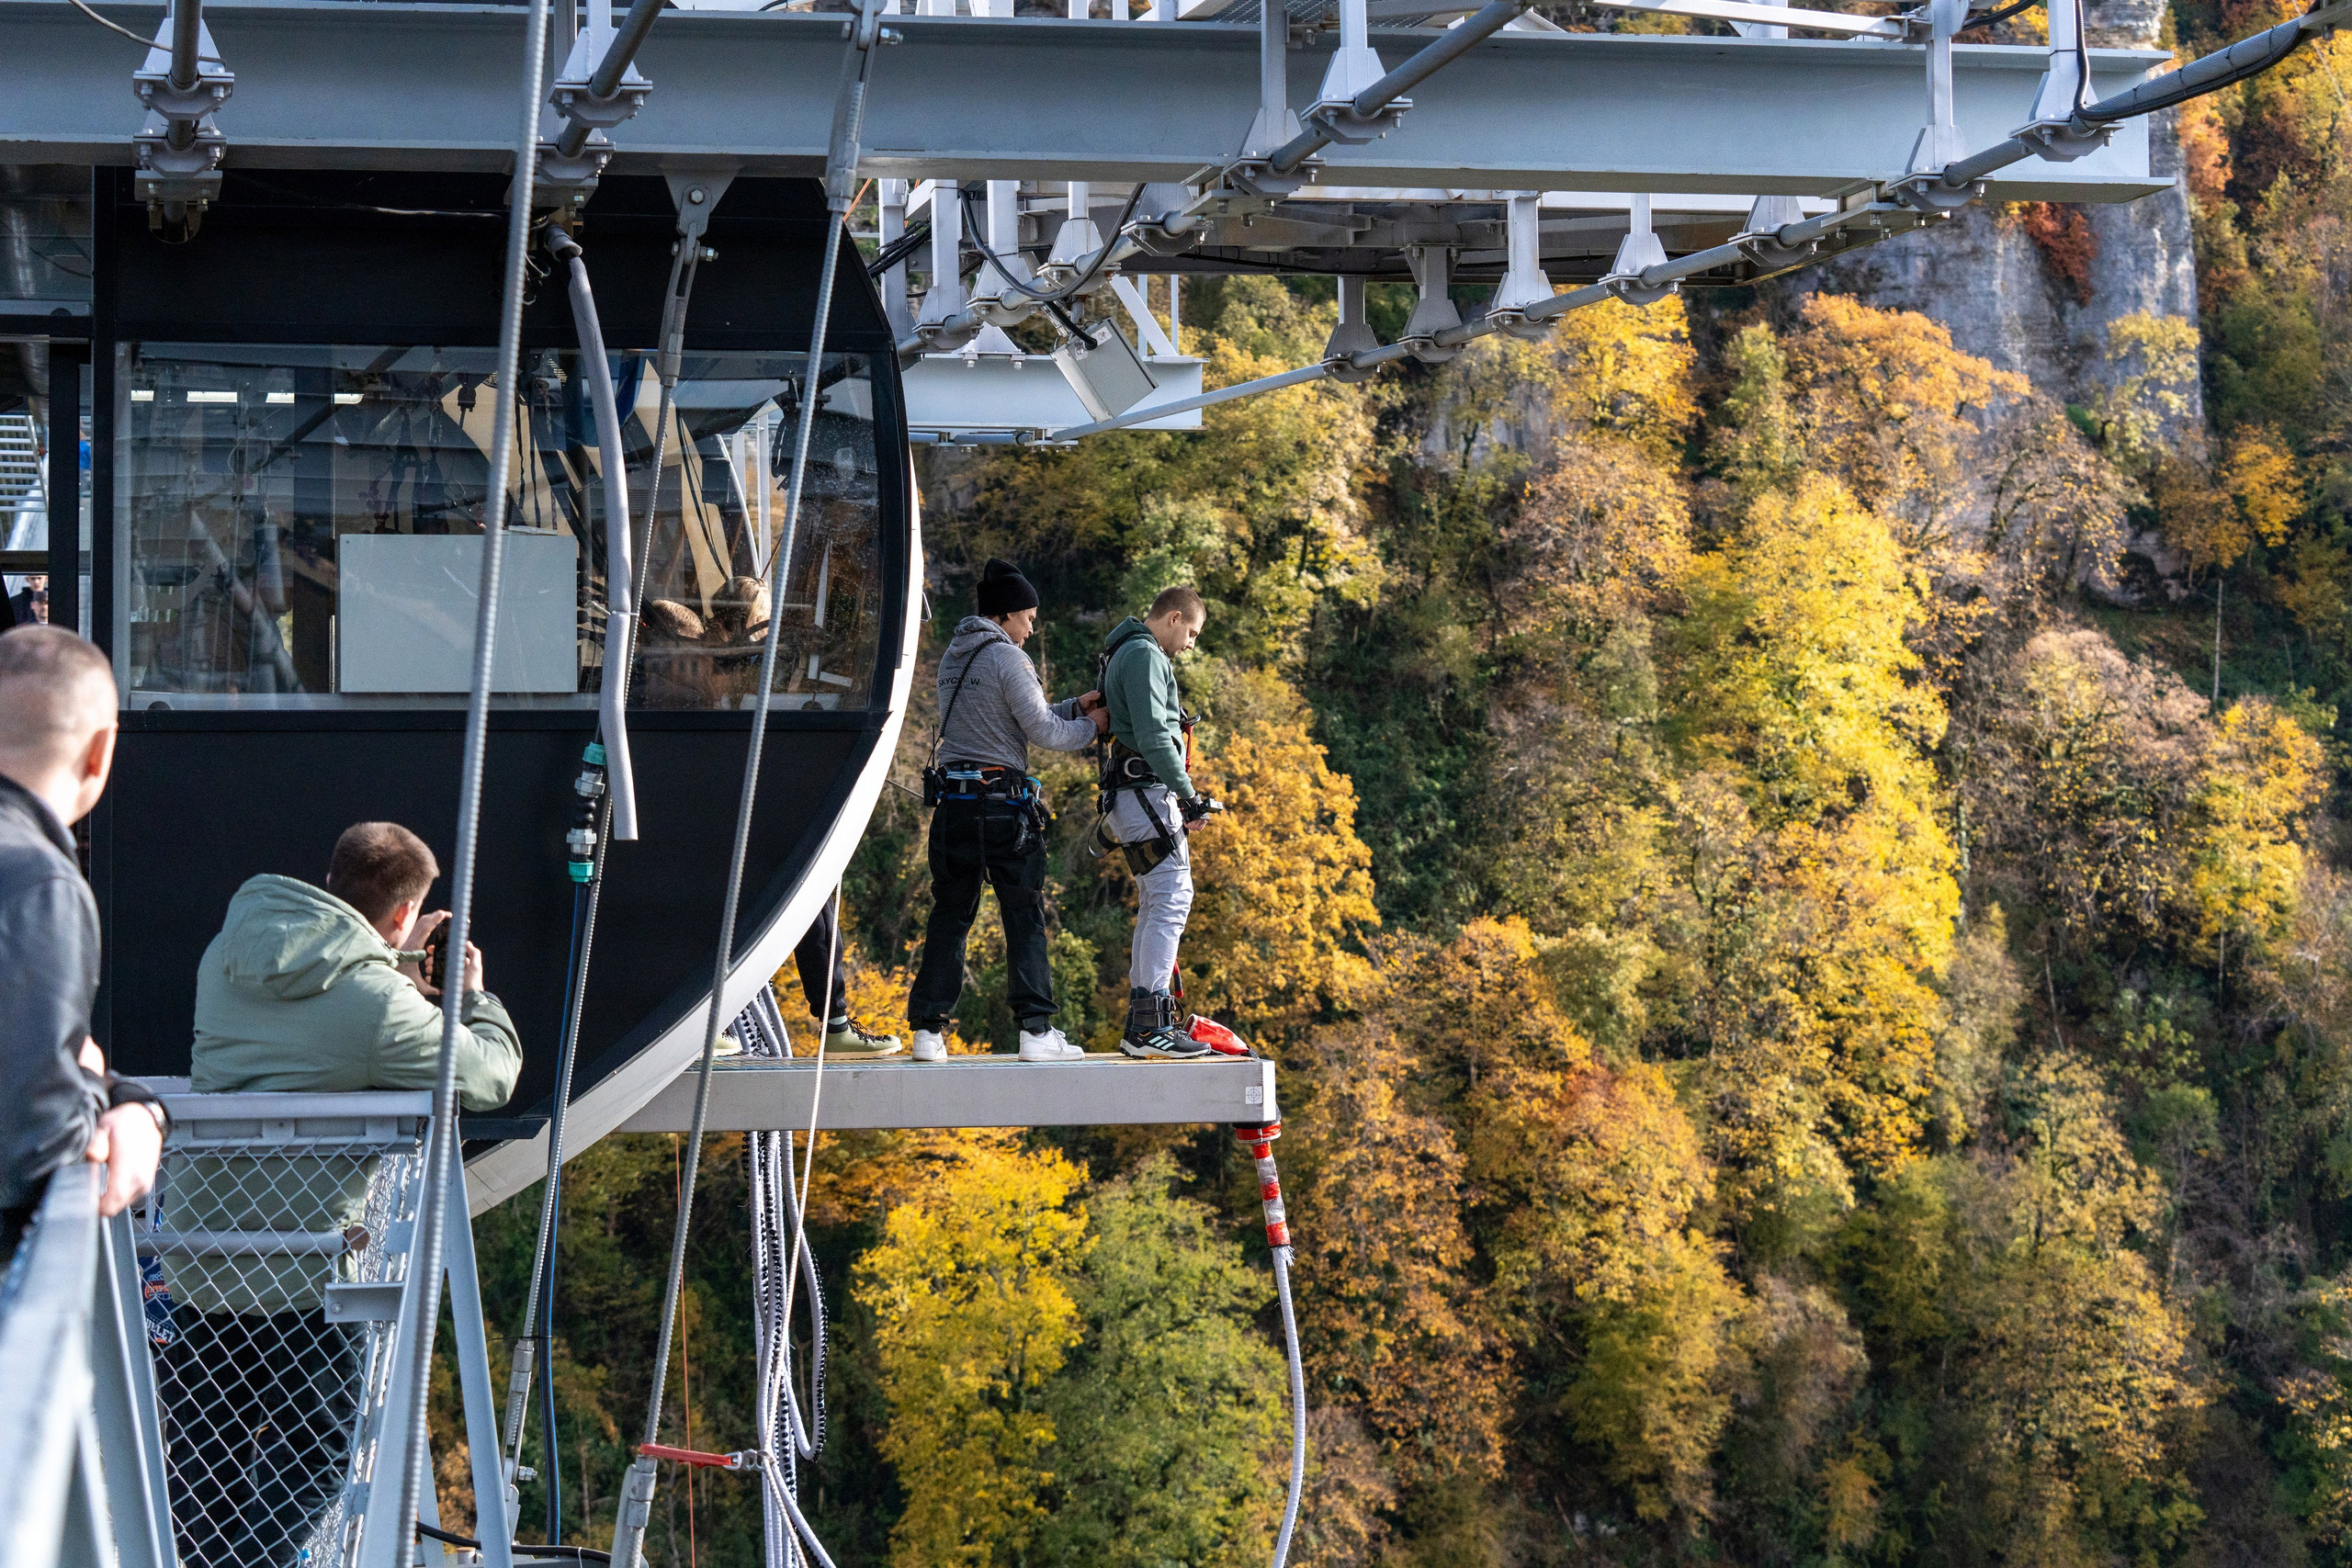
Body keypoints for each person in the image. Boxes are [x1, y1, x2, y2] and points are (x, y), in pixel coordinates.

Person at [157, 820, 522, 1568]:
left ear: (332, 879)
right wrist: (467, 994)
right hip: (305, 1276)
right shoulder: (378, 1008)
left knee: (207, 1472)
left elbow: (313, 996)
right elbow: (489, 1075)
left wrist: (391, 957)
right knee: (316, 1458)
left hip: (200, 1256)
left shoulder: (225, 955)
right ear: (400, 916)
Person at [0, 626, 166, 1264]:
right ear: (101, 751)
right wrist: (112, 1097)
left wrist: (109, 1087)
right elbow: (29, 1141)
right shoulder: (39, 884)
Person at [907, 558, 1107, 1064]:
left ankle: (928, 1032)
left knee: (950, 915)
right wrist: (1094, 728)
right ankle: (1036, 1033)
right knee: (1023, 916)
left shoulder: (954, 656)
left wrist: (1073, 706)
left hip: (954, 805)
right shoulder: (1010, 660)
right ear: (1006, 615)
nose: (1032, 627)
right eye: (1029, 617)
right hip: (1002, 809)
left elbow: (1005, 718)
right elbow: (1042, 733)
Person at [1098, 586, 1224, 1060]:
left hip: (1130, 795)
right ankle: (1150, 1023)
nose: (1192, 644)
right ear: (1173, 618)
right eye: (1192, 632)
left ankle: (1146, 1020)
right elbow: (1153, 734)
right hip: (1145, 792)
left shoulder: (1121, 650)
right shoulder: (1145, 656)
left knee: (1158, 899)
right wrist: (1189, 796)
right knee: (1172, 896)